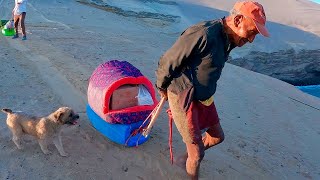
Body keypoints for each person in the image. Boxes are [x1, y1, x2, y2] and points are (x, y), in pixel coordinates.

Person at [155, 1, 269, 179]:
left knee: (217, 137)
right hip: (184, 96)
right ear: (238, 20)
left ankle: (183, 159)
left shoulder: (230, 38)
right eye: (252, 32)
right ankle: (190, 160)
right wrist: (162, 87)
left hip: (205, 98)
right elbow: (168, 61)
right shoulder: (203, 33)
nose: (252, 39)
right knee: (197, 154)